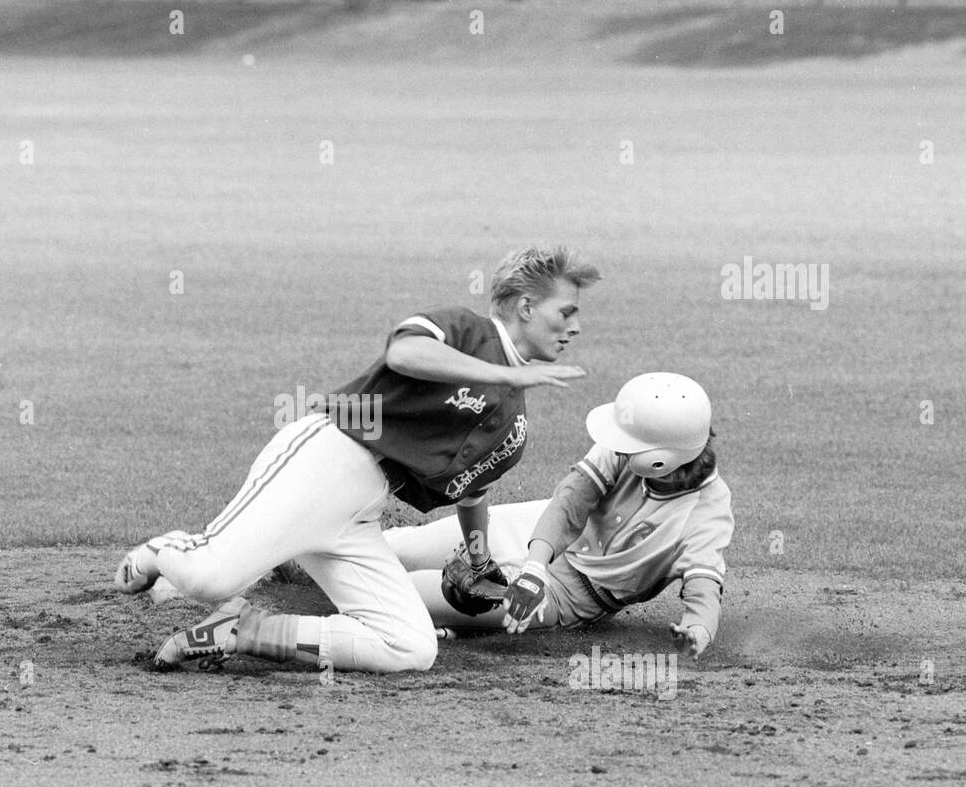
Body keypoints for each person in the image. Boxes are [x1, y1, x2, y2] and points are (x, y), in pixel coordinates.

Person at [112, 245, 602, 673]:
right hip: (325, 460)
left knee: (411, 646)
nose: (575, 327)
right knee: (211, 578)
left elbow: (474, 491)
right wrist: (505, 376)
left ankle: (245, 630)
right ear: (525, 305)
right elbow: (405, 355)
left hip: (360, 511)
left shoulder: (513, 421)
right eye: (566, 312)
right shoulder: (467, 330)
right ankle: (163, 551)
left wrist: (478, 559)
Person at [385, 373, 734, 658]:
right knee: (394, 550)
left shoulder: (706, 516)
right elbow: (570, 500)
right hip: (533, 529)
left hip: (566, 595)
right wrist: (534, 567)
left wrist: (696, 633)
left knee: (401, 594)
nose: (619, 445)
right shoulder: (631, 443)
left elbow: (704, 587)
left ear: (659, 459)